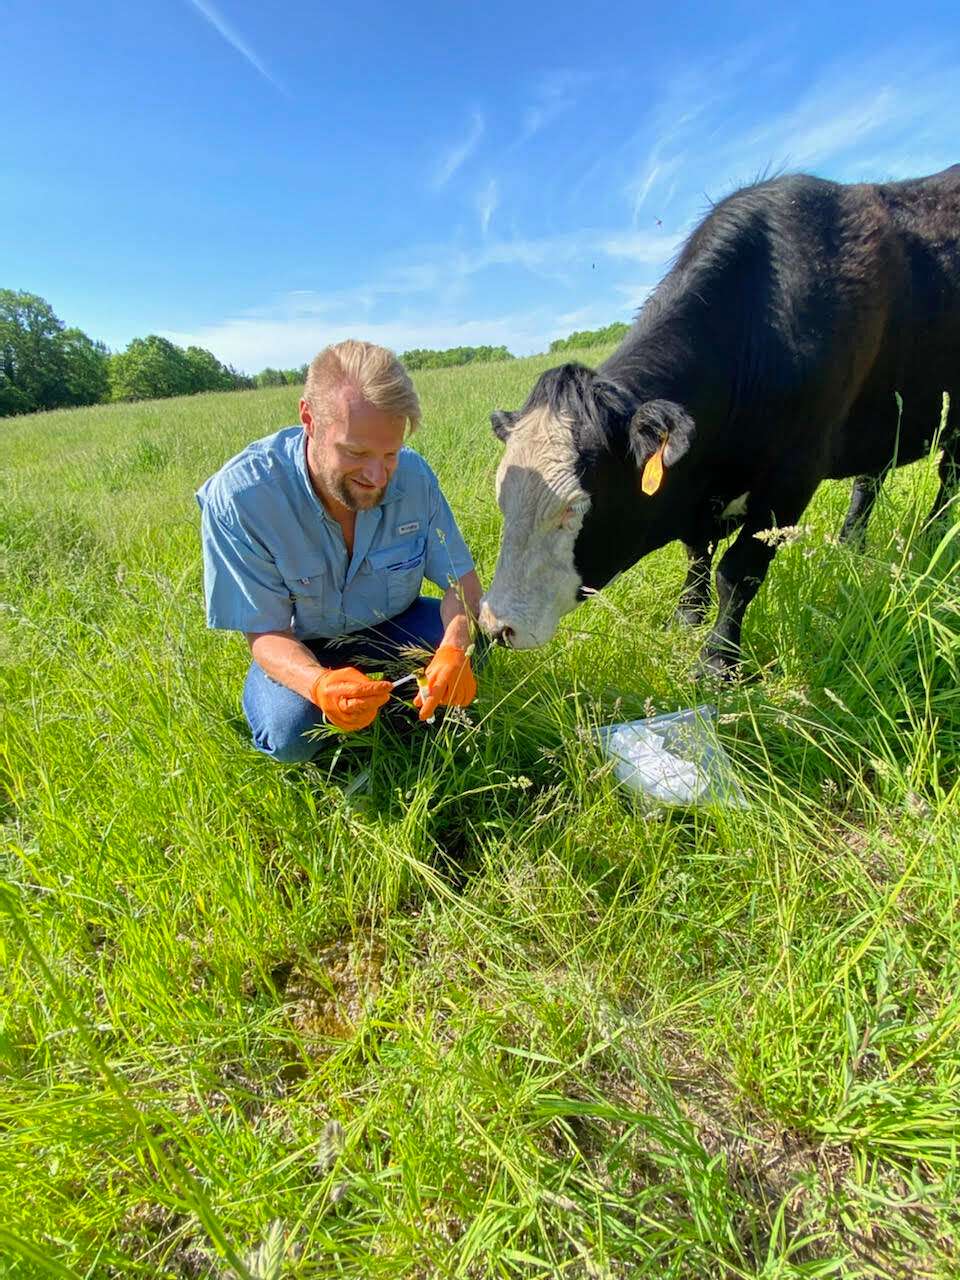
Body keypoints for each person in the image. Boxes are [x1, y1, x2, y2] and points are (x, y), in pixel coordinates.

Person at [196, 339, 482, 762]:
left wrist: (455, 647)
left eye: (390, 453)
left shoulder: (416, 479)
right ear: (309, 419)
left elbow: (463, 584)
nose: (376, 475)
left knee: (479, 651)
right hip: (305, 645)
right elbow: (265, 632)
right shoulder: (241, 499)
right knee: (290, 730)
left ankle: (402, 712)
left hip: (395, 623)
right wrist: (318, 684)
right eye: (355, 452)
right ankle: (340, 725)